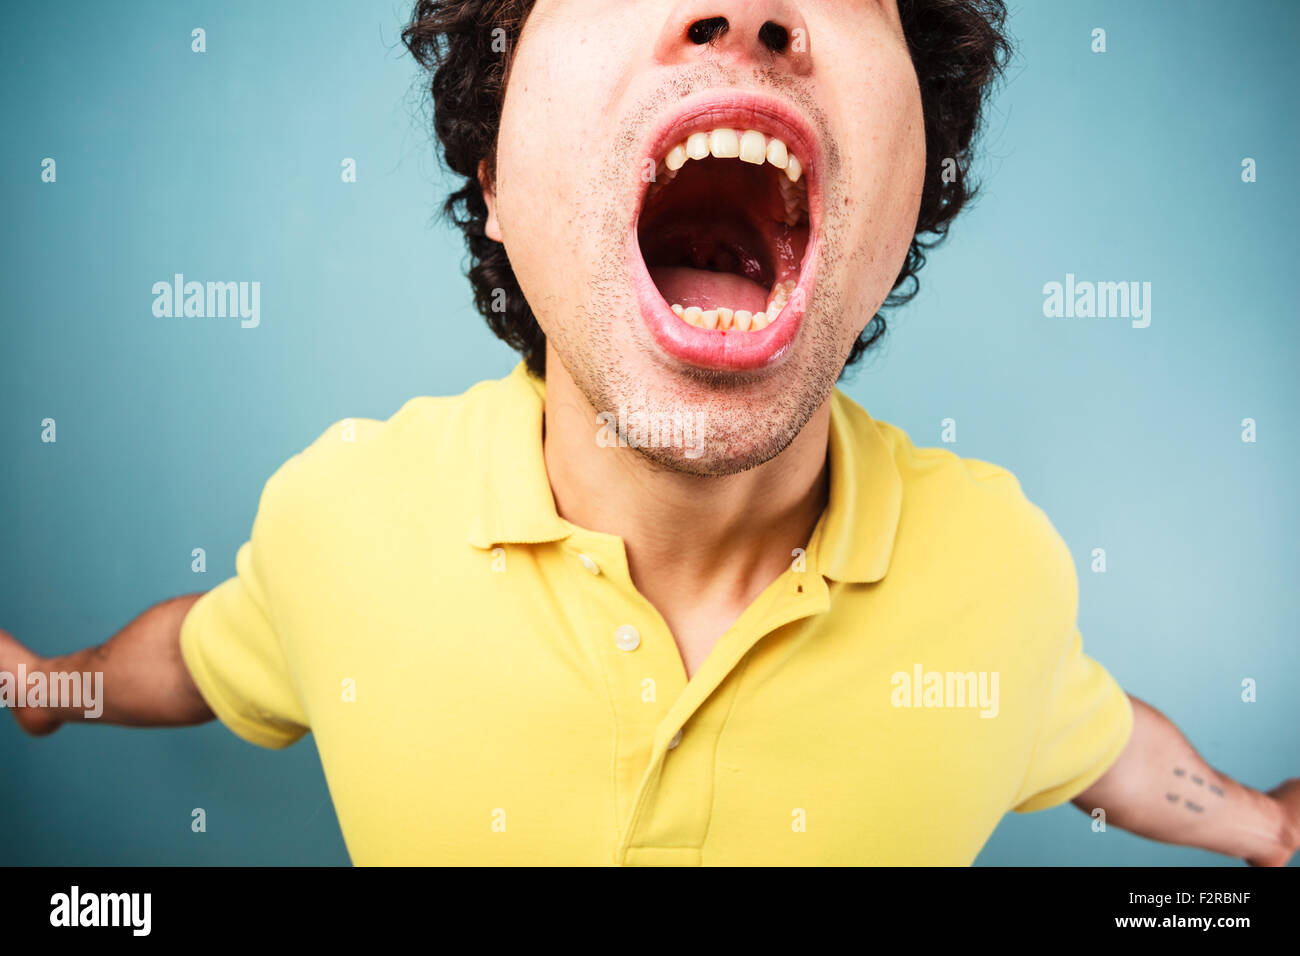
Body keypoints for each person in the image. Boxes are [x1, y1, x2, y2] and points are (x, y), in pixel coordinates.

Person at [3, 0, 1297, 866]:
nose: (744, 12)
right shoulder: (344, 517)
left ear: (911, 200)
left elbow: (1102, 745)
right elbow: (208, 654)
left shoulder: (999, 570)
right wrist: (48, 690)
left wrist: (1264, 830)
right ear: (495, 177)